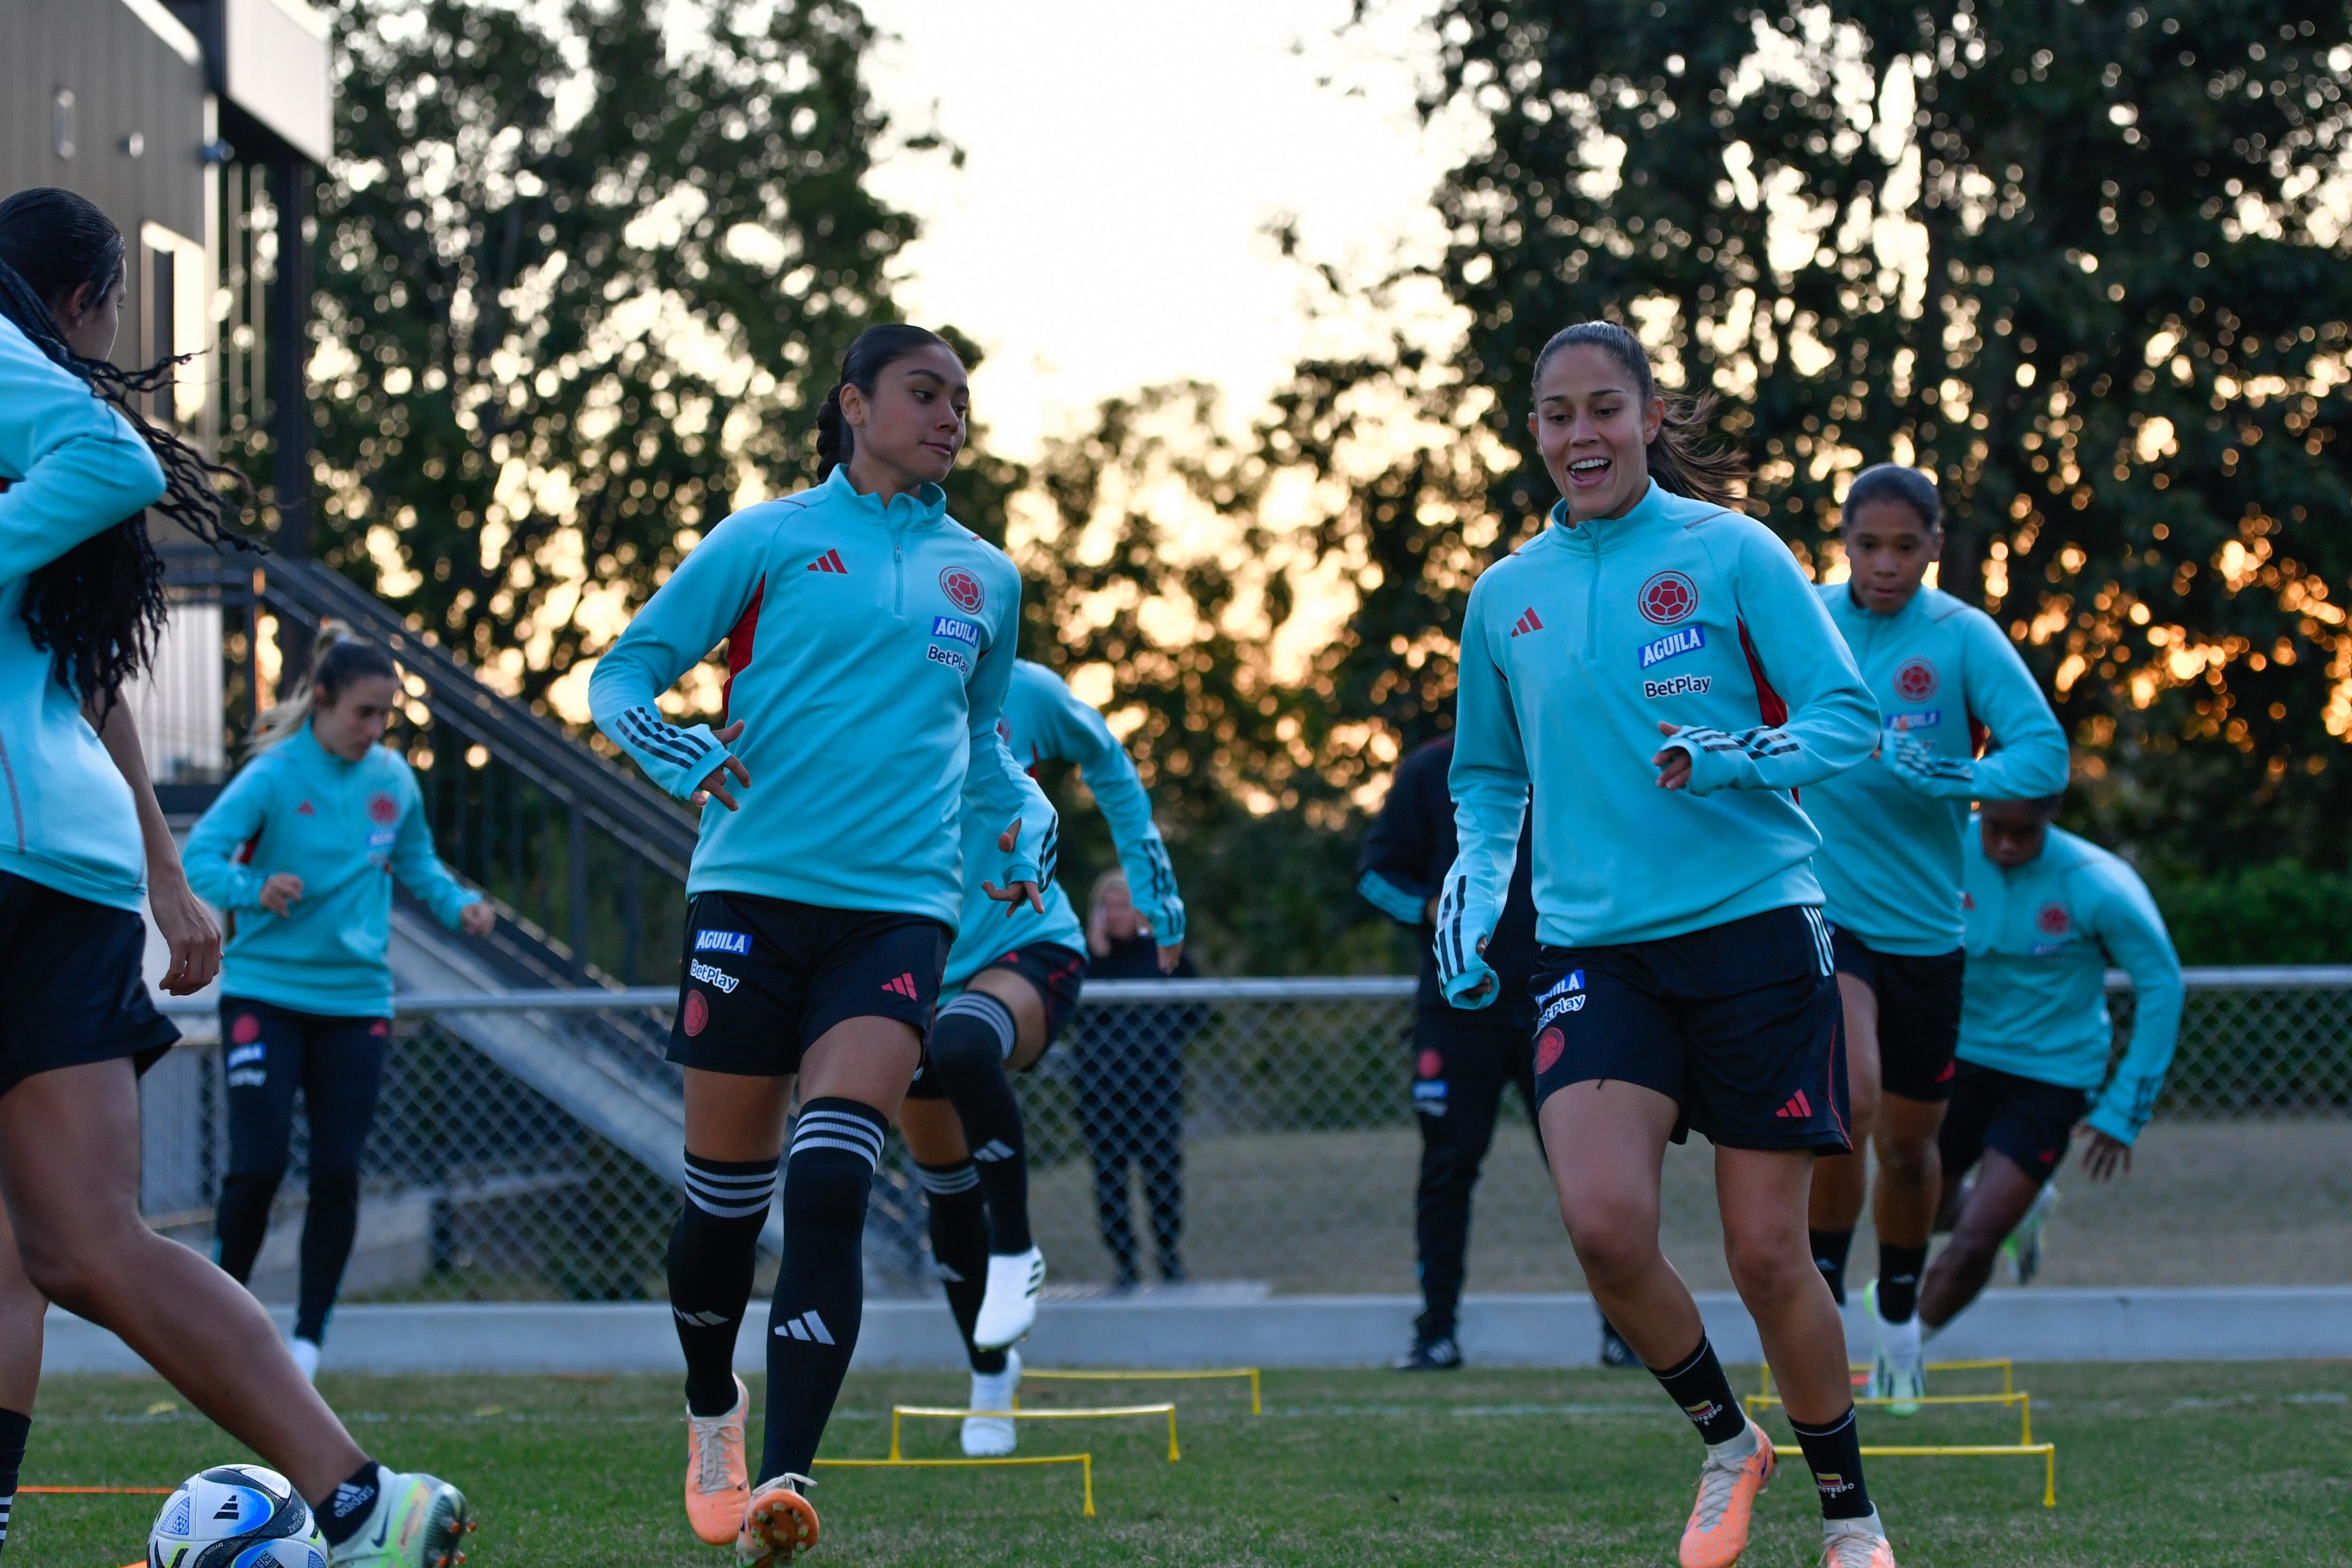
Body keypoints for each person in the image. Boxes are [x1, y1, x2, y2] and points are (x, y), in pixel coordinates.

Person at [0, 186, 471, 1566]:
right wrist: (162, 875)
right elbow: (91, 683)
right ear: (78, 303)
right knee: (77, 1242)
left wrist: (170, 878)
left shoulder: (36, 421)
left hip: (32, 853)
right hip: (63, 859)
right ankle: (362, 1499)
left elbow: (109, 455)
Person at [588, 323, 1054, 1564]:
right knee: (721, 1212)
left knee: (837, 1169)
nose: (950, 413)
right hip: (748, 897)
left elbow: (981, 748)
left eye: (962, 395)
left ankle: (786, 1478)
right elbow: (622, 672)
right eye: (924, 392)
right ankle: (712, 1408)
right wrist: (664, 740)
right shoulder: (770, 538)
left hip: (899, 910)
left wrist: (1023, 818)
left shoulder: (987, 579)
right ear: (854, 402)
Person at [1439, 319, 1900, 1568]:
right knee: (1603, 1225)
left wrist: (1737, 756)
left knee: (1766, 1251)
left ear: (1648, 417)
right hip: (1596, 949)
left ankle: (1850, 1514)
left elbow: (1847, 717)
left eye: (1604, 409)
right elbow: (1487, 778)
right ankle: (1725, 1438)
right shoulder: (1504, 596)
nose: (1580, 434)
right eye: (1556, 415)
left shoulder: (1732, 552)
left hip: (1755, 928)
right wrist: (1482, 887)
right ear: (1532, 430)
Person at [1799, 465, 2068, 1411]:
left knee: (1911, 1151)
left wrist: (1953, 773)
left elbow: (2044, 753)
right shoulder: (1804, 615)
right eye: (1867, 545)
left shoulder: (1960, 638)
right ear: (1841, 542)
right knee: (1849, 1099)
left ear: (1934, 546)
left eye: (1903, 546)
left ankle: (1899, 1317)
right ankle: (1821, 1302)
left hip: (1925, 929)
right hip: (1825, 913)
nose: (1884, 564)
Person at [183, 621, 496, 1382]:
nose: (375, 728)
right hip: (267, 993)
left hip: (357, 1001)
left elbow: (415, 861)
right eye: (364, 711)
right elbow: (199, 855)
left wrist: (458, 905)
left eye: (386, 714)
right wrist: (255, 889)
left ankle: (307, 1343)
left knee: (338, 1172)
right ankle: (220, 1321)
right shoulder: (274, 775)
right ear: (322, 700)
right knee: (257, 1166)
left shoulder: (393, 778)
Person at [898, 659, 1184, 1459]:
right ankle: (991, 1374)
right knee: (947, 1198)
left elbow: (1111, 766)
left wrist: (1156, 891)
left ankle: (1017, 1248)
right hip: (914, 958)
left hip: (1028, 946)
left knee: (960, 1039)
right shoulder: (869, 688)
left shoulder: (1027, 692)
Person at [1915, 797, 2182, 1332]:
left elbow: (2162, 985)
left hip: (2050, 1076)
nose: (2007, 844)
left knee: (1974, 1243)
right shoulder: (1937, 850)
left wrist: (2123, 1109)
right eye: (1995, 829)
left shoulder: (2097, 883)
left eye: (2024, 833)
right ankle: (2022, 1207)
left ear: (2049, 820)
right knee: (1913, 1216)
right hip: (1955, 1060)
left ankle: (1899, 1354)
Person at [1362, 736, 1584, 1369]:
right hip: (1458, 1013)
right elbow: (1375, 877)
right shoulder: (1433, 769)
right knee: (1447, 1170)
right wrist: (1430, 908)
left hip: (1563, 999)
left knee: (1592, 1175)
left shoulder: (1566, 754)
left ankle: (1628, 1333)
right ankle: (1436, 1331)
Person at [1073, 870, 1196, 1293]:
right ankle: (1124, 1263)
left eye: (1124, 904)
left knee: (1162, 1172)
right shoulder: (1085, 957)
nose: (1116, 914)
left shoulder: (1163, 951)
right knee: (1110, 1177)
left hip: (1156, 1087)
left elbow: (1197, 1008)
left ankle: (1169, 1255)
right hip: (1100, 1090)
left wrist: (1159, 1037)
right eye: (1108, 906)